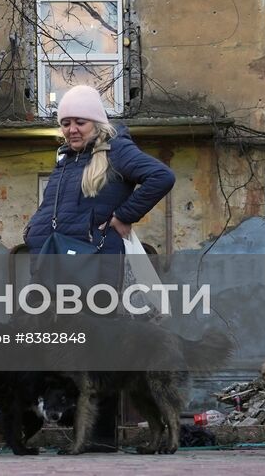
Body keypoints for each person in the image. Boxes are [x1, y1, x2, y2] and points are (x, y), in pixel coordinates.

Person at [22, 84, 175, 451]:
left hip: (94, 265)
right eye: (66, 123)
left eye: (80, 122)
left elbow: (161, 177)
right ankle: (79, 433)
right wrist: (34, 229)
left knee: (97, 350)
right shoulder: (66, 158)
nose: (72, 129)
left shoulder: (117, 149)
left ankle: (101, 438)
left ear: (97, 123)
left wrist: (124, 217)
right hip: (58, 265)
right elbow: (57, 209)